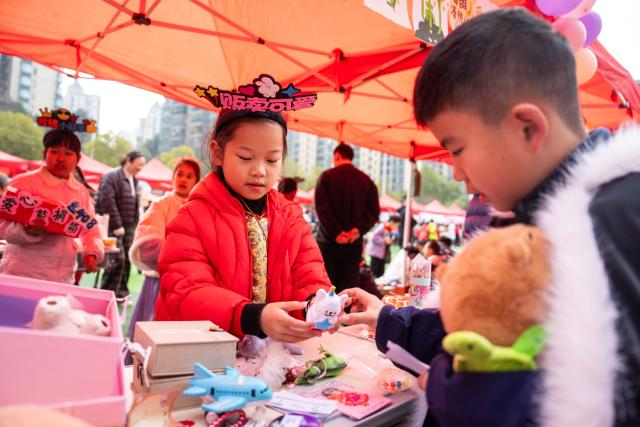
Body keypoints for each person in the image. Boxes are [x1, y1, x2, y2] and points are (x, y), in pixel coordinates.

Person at [340, 8, 640, 427]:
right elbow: (483, 327)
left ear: (527, 127)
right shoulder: (527, 217)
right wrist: (388, 319)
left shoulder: (619, 219)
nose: (458, 173)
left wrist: (456, 390)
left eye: (457, 149)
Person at [156, 109, 331, 343]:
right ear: (218, 153)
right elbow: (186, 291)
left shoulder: (292, 218)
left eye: (271, 160)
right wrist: (251, 316)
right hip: (202, 355)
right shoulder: (192, 218)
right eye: (245, 158)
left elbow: (310, 278)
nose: (259, 170)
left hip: (271, 358)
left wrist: (316, 307)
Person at [0, 129, 104, 284]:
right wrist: (26, 231)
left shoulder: (80, 192)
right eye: (54, 152)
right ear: (44, 153)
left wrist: (92, 253)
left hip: (63, 278)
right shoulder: (22, 183)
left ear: (78, 158)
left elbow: (90, 228)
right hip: (21, 274)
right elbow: (2, 224)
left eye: (68, 154)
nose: (61, 158)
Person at [127, 157, 201, 341]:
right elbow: (148, 242)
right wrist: (181, 259)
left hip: (190, 286)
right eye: (180, 174)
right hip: (160, 281)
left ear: (196, 181)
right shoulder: (161, 204)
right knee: (151, 333)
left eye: (189, 176)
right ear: (173, 177)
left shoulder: (200, 209)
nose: (183, 179)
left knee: (176, 337)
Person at [314, 144, 380, 292]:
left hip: (328, 243)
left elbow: (322, 210)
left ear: (337, 156)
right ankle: (347, 315)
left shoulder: (326, 177)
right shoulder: (368, 182)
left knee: (326, 288)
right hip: (353, 244)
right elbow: (374, 213)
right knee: (349, 290)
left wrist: (337, 233)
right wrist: (357, 230)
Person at [96, 151, 145, 299]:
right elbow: (107, 201)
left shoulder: (134, 180)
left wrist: (136, 225)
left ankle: (120, 293)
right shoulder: (111, 176)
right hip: (113, 227)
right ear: (128, 161)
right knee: (117, 260)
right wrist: (117, 225)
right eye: (139, 164)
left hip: (129, 227)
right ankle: (107, 293)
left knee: (127, 261)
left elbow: (136, 205)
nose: (140, 168)